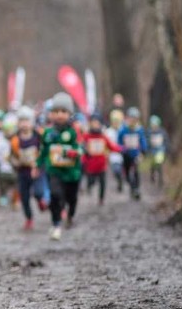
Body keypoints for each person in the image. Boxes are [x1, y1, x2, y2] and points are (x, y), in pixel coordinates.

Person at [35, 92, 82, 241]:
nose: (59, 115)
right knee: (55, 196)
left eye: (63, 111)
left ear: (70, 113)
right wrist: (37, 165)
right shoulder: (47, 133)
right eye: (56, 112)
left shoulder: (74, 132)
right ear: (51, 114)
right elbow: (43, 151)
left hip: (72, 173)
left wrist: (72, 152)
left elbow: (81, 148)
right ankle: (56, 224)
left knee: (71, 198)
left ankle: (70, 214)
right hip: (54, 171)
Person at [10, 106, 47, 230]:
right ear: (18, 123)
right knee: (24, 197)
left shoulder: (38, 136)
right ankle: (29, 219)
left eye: (27, 121)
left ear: (32, 122)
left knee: (38, 192)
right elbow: (12, 156)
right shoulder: (15, 139)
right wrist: (15, 162)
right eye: (22, 121)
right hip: (23, 171)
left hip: (37, 170)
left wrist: (40, 163)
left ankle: (41, 201)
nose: (25, 124)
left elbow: (45, 150)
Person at [80, 113, 121, 205]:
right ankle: (89, 187)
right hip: (90, 166)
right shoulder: (87, 136)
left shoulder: (103, 137)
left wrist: (122, 149)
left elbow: (112, 146)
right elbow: (81, 146)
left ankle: (101, 199)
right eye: (93, 123)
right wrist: (84, 151)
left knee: (103, 183)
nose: (95, 125)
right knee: (91, 181)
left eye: (97, 123)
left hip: (101, 165)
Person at [118, 107, 148, 200]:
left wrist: (143, 150)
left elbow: (143, 140)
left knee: (136, 171)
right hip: (126, 154)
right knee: (127, 173)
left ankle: (136, 189)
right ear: (128, 118)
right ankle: (132, 187)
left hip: (135, 154)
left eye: (135, 118)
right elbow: (119, 141)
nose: (133, 120)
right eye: (131, 118)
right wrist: (121, 149)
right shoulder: (123, 129)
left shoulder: (139, 129)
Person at [0, 113, 18, 207]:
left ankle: (15, 199)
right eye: (6, 130)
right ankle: (3, 196)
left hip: (14, 165)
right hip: (2, 165)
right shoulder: (0, 138)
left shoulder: (16, 139)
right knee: (2, 182)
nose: (8, 132)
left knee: (16, 182)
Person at [105, 109, 125, 193]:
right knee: (116, 170)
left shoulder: (124, 130)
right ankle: (119, 180)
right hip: (114, 155)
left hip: (124, 154)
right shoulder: (108, 132)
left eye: (117, 121)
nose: (116, 123)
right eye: (114, 121)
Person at [148, 115, 168, 187]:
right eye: (153, 125)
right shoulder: (149, 132)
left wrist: (165, 149)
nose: (154, 127)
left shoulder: (162, 132)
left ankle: (160, 180)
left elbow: (166, 141)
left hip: (160, 151)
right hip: (152, 151)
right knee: (153, 164)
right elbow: (148, 143)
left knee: (159, 163)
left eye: (155, 125)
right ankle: (152, 174)